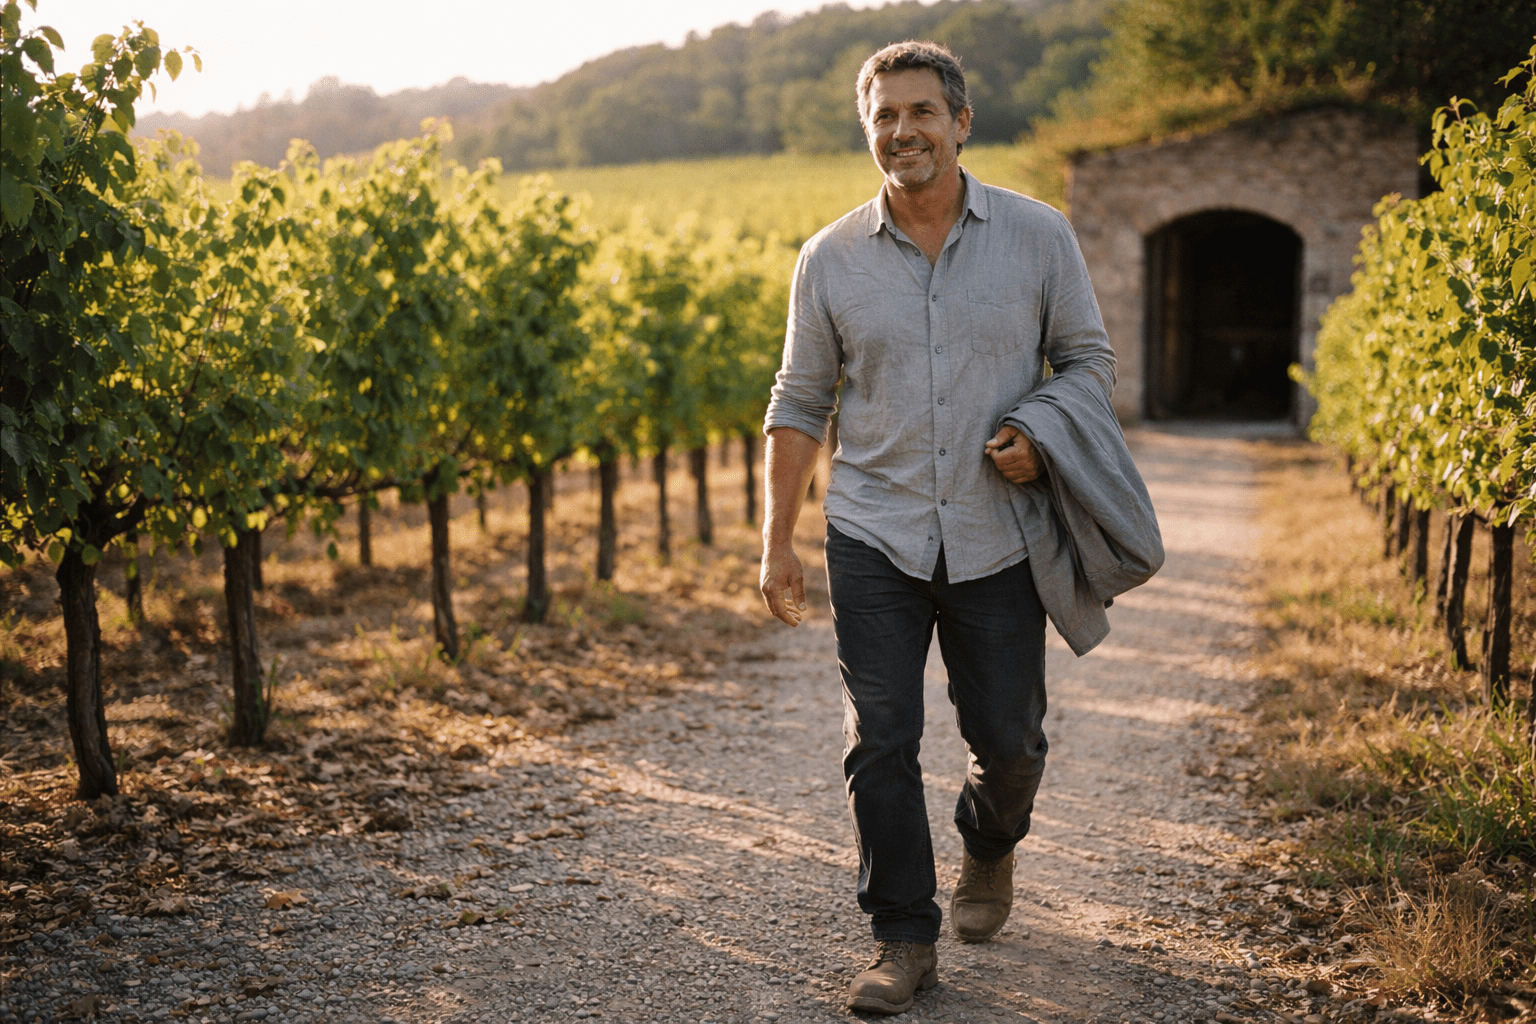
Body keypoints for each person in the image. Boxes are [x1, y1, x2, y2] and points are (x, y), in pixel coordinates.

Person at [760, 40, 1151, 1016]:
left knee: (1010, 741)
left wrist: (1037, 431)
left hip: (999, 533)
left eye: (921, 112)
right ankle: (903, 935)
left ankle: (989, 837)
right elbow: (800, 400)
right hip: (874, 529)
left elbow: (1088, 363)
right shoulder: (831, 258)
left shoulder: (1038, 236)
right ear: (869, 130)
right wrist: (776, 538)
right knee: (879, 736)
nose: (903, 131)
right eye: (884, 116)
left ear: (961, 122)